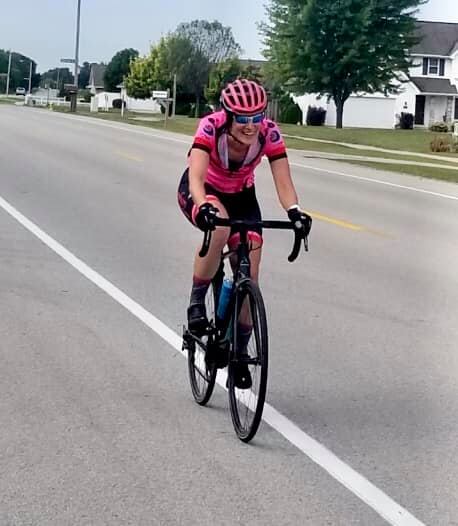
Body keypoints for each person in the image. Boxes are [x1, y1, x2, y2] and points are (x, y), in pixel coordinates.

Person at [177, 79, 311, 387]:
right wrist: (203, 205)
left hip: (241, 195)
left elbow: (283, 181)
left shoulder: (269, 133)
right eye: (243, 118)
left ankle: (239, 352)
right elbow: (196, 176)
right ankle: (196, 302)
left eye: (257, 117)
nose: (251, 125)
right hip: (204, 191)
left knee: (251, 269)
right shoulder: (211, 127)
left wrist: (295, 212)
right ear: (228, 115)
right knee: (220, 227)